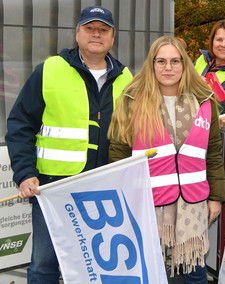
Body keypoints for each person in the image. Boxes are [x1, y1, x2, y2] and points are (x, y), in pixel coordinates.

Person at [5, 6, 132, 282]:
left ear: (112, 37)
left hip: (106, 190)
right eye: (89, 28)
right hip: (54, 188)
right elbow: (19, 124)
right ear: (77, 34)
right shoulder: (51, 70)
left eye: (103, 30)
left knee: (98, 267)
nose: (96, 34)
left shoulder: (126, 78)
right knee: (44, 267)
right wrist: (26, 173)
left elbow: (139, 131)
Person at [108, 35, 225, 282]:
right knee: (152, 268)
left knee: (194, 268)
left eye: (175, 61)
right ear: (151, 64)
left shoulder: (204, 101)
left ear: (185, 64)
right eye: (161, 61)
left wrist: (216, 197)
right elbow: (118, 154)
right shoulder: (131, 101)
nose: (168, 68)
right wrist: (123, 197)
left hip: (192, 201)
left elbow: (213, 153)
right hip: (148, 201)